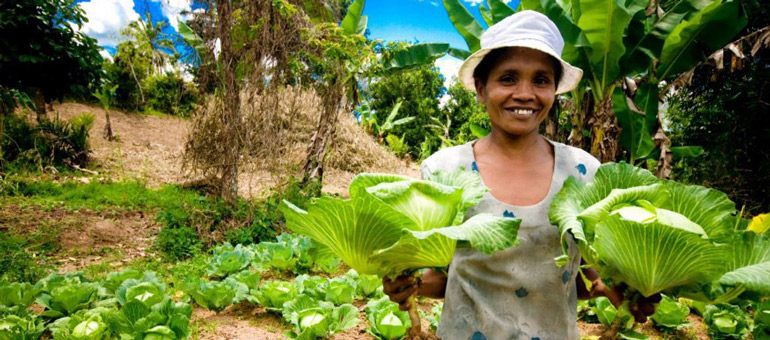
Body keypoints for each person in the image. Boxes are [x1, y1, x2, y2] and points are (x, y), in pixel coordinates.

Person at [383, 11, 656, 340]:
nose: (525, 93)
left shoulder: (583, 171)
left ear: (555, 91)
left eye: (541, 80)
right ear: (481, 88)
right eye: (508, 78)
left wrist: (621, 290)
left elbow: (578, 278)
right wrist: (406, 284)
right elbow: (451, 276)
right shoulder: (444, 170)